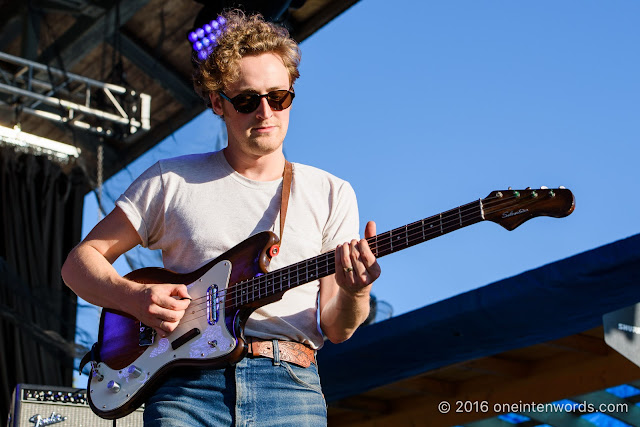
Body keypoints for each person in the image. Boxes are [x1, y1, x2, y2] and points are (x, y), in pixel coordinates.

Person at [61, 9, 380, 426]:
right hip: (186, 391)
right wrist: (133, 298)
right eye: (247, 100)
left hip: (289, 388)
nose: (266, 112)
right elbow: (78, 264)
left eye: (278, 97)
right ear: (218, 103)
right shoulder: (170, 180)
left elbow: (337, 328)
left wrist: (356, 292)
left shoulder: (332, 192)